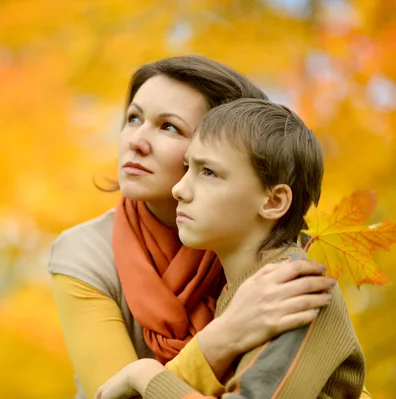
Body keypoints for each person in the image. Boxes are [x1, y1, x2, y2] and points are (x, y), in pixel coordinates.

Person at [48, 56, 344, 399]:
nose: (136, 141)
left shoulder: (262, 252)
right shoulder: (84, 253)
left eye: (169, 127)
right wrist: (224, 335)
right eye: (133, 118)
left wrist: (145, 376)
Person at [95, 98, 366, 399]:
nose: (179, 189)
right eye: (188, 167)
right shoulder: (246, 283)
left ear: (273, 201)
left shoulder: (292, 292)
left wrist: (144, 375)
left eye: (209, 172)